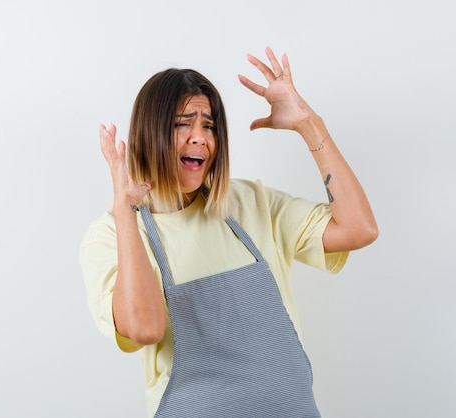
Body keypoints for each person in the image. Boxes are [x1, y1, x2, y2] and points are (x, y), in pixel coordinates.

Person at [79, 47, 378, 418]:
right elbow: (145, 328)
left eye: (209, 125)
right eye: (182, 124)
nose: (200, 137)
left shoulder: (250, 203)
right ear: (149, 132)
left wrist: (307, 123)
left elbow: (358, 229)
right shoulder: (110, 236)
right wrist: (127, 210)